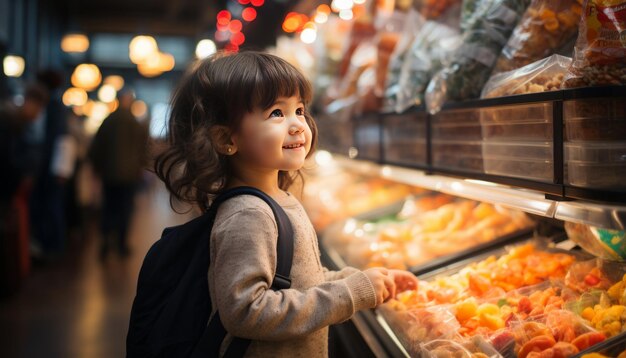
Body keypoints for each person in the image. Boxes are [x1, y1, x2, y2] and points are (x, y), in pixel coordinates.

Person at [153, 51, 419, 356]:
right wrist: (349, 294)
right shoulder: (248, 215)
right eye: (276, 113)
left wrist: (359, 282)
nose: (297, 125)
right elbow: (246, 312)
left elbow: (299, 284)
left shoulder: (278, 200)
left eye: (300, 110)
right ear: (226, 138)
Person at [0, 84, 49, 296]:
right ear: (30, 103)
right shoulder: (9, 121)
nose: (37, 115)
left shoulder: (12, 119)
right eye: (38, 110)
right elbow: (6, 160)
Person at [88, 89, 148, 258]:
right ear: (129, 101)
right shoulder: (136, 123)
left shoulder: (108, 121)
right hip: (130, 175)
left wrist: (98, 168)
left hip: (109, 174)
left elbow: (96, 147)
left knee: (109, 208)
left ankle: (105, 242)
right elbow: (144, 150)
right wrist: (140, 168)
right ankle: (122, 245)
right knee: (125, 209)